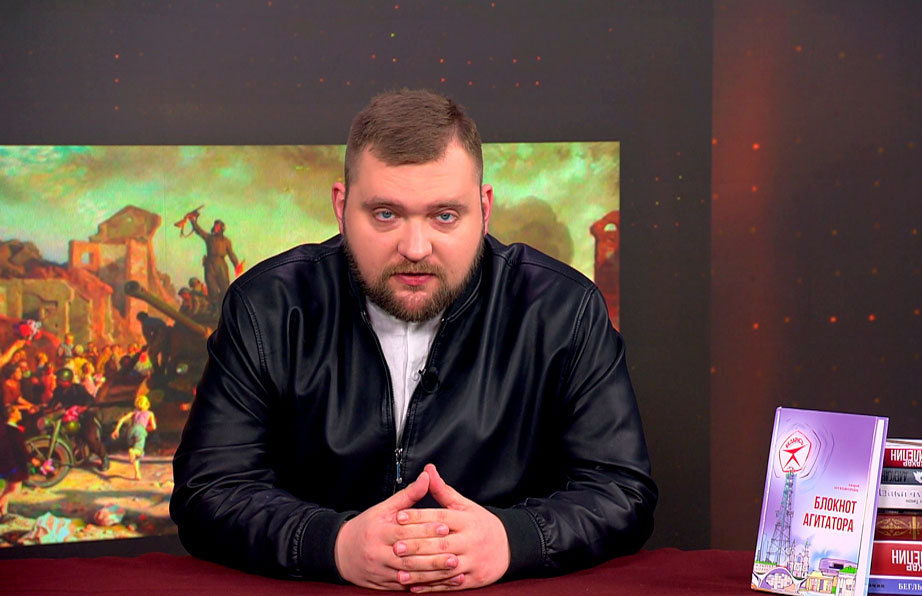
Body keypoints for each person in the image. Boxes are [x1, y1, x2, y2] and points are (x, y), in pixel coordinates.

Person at [170, 89, 656, 591]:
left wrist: (514, 539)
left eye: (445, 215)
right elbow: (210, 490)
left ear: (484, 208)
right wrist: (332, 544)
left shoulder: (564, 310)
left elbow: (621, 490)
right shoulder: (266, 306)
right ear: (341, 206)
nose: (415, 248)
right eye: (386, 214)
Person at [188, 215, 240, 303]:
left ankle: (224, 306)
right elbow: (199, 231)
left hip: (221, 266)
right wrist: (192, 221)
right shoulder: (209, 238)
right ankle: (215, 307)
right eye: (215, 226)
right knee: (212, 289)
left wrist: (237, 266)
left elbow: (231, 254)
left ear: (222, 228)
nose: (216, 228)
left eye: (218, 226)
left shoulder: (226, 241)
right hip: (209, 265)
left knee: (224, 288)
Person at [111, 394, 156, 481]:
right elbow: (153, 427)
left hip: (130, 430)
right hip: (140, 430)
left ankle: (137, 473)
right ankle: (133, 451)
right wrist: (145, 429)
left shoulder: (134, 412)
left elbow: (122, 419)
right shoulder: (150, 413)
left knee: (135, 455)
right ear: (147, 404)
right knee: (139, 451)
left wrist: (116, 430)